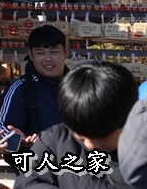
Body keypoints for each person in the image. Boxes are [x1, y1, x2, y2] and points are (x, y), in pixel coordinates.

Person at [14, 60, 138, 188]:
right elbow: (29, 182)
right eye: (82, 136)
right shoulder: (54, 141)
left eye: (103, 136)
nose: (91, 145)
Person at [0, 25, 68, 139]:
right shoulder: (22, 88)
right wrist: (18, 139)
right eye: (40, 53)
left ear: (66, 53)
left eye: (54, 52)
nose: (48, 59)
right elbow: (3, 128)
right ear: (31, 55)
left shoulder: (81, 86)